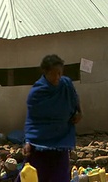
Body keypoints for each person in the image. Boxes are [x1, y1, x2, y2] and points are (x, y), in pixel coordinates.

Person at [21, 54, 82, 182]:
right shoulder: (37, 93)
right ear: (45, 72)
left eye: (60, 73)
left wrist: (79, 113)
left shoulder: (66, 85)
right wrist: (28, 141)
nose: (57, 77)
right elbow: (32, 119)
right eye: (53, 74)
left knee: (60, 176)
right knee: (36, 176)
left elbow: (75, 101)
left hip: (61, 139)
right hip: (40, 143)